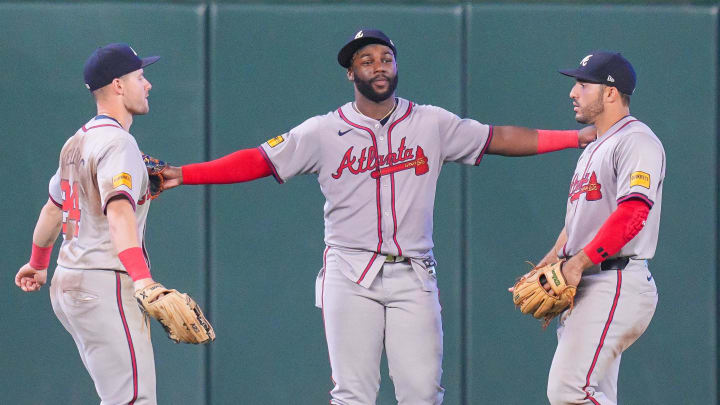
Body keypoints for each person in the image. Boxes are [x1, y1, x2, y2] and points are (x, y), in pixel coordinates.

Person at [156, 29, 596, 404]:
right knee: (353, 395)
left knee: (423, 393)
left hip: (413, 272)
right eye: (366, 61)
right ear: (351, 73)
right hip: (349, 272)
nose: (378, 66)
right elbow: (257, 161)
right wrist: (184, 174)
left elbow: (498, 137)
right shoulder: (322, 131)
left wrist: (576, 138)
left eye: (386, 58)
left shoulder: (430, 123)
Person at [15, 43, 164, 404]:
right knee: (134, 400)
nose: (147, 85)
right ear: (117, 85)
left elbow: (53, 210)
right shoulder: (118, 143)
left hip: (70, 282)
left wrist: (37, 263)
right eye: (140, 77)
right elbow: (118, 214)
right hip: (104, 281)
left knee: (120, 397)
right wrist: (143, 280)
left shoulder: (76, 141)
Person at [534, 52, 663, 405]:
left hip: (615, 279)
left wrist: (575, 264)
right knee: (594, 393)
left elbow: (633, 213)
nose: (573, 92)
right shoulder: (593, 148)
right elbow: (579, 221)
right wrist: (552, 259)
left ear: (610, 92)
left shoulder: (636, 140)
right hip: (593, 281)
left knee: (568, 391)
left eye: (582, 84)